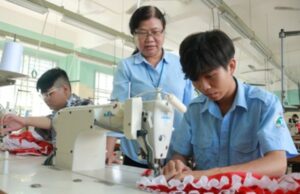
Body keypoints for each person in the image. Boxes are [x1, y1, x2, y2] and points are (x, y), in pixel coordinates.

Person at [162, 30, 298, 180]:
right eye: (195, 79)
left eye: (210, 76)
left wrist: (211, 174)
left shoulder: (264, 105)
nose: (204, 86)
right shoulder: (194, 111)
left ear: (231, 66)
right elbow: (180, 153)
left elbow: (277, 163)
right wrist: (177, 164)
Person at [106, 5, 193, 168]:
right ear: (133, 35)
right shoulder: (126, 67)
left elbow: (189, 110)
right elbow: (117, 110)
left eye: (155, 32)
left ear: (164, 32)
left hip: (176, 154)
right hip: (137, 153)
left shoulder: (181, 64)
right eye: (142, 33)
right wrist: (109, 152)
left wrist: (192, 149)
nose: (149, 39)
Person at [0, 68, 92, 159]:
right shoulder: (57, 114)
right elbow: (47, 125)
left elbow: (59, 121)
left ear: (65, 89)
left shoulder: (86, 106)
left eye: (50, 94)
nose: (46, 99)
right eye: (43, 95)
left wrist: (25, 120)